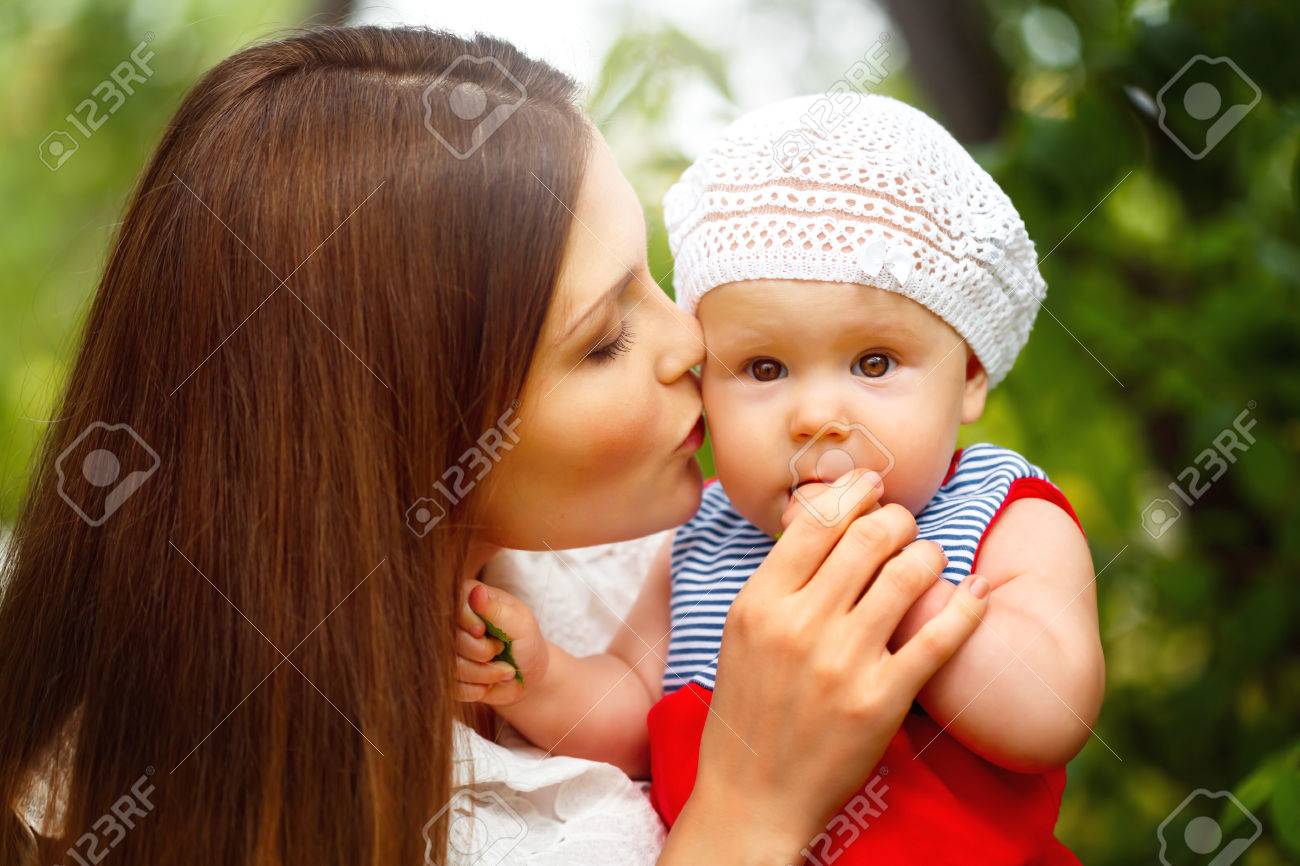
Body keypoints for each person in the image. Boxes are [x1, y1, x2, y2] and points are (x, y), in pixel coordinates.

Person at [0, 27, 989, 866]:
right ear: (407, 428)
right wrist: (751, 812)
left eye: (654, 279)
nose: (694, 343)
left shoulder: (641, 565)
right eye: (604, 340)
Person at [454, 96, 1104, 863]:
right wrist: (542, 680)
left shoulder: (999, 513)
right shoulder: (704, 539)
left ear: (967, 378)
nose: (816, 416)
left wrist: (893, 591)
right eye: (765, 369)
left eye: (873, 363)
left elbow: (1050, 718)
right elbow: (634, 719)